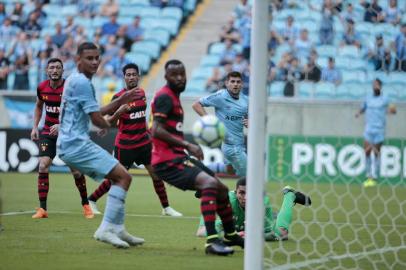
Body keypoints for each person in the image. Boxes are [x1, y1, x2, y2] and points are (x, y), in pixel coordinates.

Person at [151, 59, 244, 255]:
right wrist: (188, 144)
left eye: (182, 74)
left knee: (221, 188)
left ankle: (231, 234)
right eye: (174, 75)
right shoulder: (165, 97)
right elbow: (156, 130)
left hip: (177, 157)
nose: (179, 78)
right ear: (166, 77)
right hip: (166, 162)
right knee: (209, 184)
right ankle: (211, 241)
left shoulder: (174, 97)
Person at [57, 42, 144, 248]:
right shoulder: (83, 83)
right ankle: (106, 229)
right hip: (75, 144)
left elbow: (97, 110)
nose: (95, 62)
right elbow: (97, 119)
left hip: (70, 143)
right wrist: (113, 120)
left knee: (119, 177)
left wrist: (120, 101)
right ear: (78, 59)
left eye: (97, 57)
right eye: (89, 58)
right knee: (124, 177)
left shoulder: (75, 79)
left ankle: (118, 228)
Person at [88, 63, 182, 217]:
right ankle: (91, 200)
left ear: (138, 76)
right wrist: (118, 112)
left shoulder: (141, 93)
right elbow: (108, 122)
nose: (131, 77)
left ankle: (166, 208)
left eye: (134, 74)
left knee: (156, 174)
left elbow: (140, 117)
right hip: (125, 146)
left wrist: (149, 132)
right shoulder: (118, 97)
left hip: (144, 143)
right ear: (124, 77)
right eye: (128, 75)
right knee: (116, 178)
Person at [30, 58, 93, 219]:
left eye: (58, 67)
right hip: (48, 133)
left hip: (68, 134)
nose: (55, 70)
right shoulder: (42, 88)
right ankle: (42, 209)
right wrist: (35, 126)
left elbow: (79, 111)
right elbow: (38, 106)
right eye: (51, 67)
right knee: (43, 165)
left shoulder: (69, 88)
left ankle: (86, 205)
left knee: (76, 171)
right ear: (47, 71)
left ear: (62, 71)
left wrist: (61, 125)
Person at [196, 178, 311, 241]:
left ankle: (289, 195)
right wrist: (234, 234)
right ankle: (208, 193)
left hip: (251, 221)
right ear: (236, 193)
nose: (245, 197)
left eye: (249, 193)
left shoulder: (262, 202)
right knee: (202, 231)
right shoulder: (228, 201)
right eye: (242, 193)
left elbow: (270, 234)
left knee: (282, 234)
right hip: (221, 206)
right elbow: (209, 230)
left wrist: (254, 234)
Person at [192, 71, 248, 177]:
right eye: (232, 81)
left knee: (230, 170)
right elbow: (196, 105)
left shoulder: (245, 99)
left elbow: (251, 114)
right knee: (249, 176)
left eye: (238, 82)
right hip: (231, 146)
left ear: (241, 84)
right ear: (227, 83)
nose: (235, 84)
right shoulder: (221, 96)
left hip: (240, 143)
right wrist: (210, 121)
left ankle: (201, 167)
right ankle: (238, 193)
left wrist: (250, 120)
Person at [355, 79, 397, 187]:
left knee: (376, 152)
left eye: (377, 85)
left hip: (379, 129)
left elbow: (393, 109)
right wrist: (358, 113)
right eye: (374, 85)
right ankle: (368, 175)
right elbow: (363, 108)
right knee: (367, 151)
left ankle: (374, 176)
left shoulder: (385, 98)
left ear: (381, 87)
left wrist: (391, 110)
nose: (375, 87)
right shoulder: (368, 98)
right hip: (368, 129)